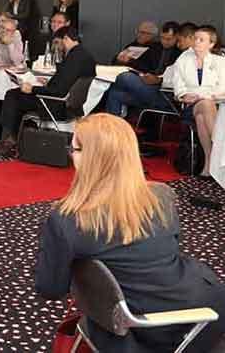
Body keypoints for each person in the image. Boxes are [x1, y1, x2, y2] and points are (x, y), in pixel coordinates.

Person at [35, 114, 225, 353]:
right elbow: (170, 250)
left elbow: (50, 288)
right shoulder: (162, 196)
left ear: (91, 159)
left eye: (73, 149)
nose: (71, 155)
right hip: (200, 307)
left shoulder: (68, 218)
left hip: (162, 325)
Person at [0, 26, 96, 154]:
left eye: (57, 42)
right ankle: (17, 138)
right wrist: (48, 83)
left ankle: (10, 139)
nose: (56, 47)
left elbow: (59, 91)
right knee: (17, 96)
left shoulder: (73, 58)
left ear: (65, 39)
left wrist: (32, 89)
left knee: (13, 95)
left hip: (56, 105)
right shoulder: (84, 55)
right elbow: (66, 82)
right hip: (70, 105)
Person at [173, 26, 225, 176]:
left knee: (202, 118)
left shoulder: (220, 62)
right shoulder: (183, 59)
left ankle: (209, 164)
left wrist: (205, 95)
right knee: (205, 106)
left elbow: (222, 87)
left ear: (211, 44)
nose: (197, 42)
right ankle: (221, 148)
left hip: (214, 104)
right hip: (190, 106)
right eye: (195, 39)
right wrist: (184, 95)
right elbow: (178, 86)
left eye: (201, 40)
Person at [105, 21, 182, 118]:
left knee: (124, 77)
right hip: (147, 86)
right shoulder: (154, 47)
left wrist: (159, 80)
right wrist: (126, 61)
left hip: (165, 94)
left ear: (177, 37)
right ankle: (113, 128)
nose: (165, 42)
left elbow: (177, 78)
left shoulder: (181, 53)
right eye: (162, 38)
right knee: (115, 93)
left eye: (168, 39)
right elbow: (140, 64)